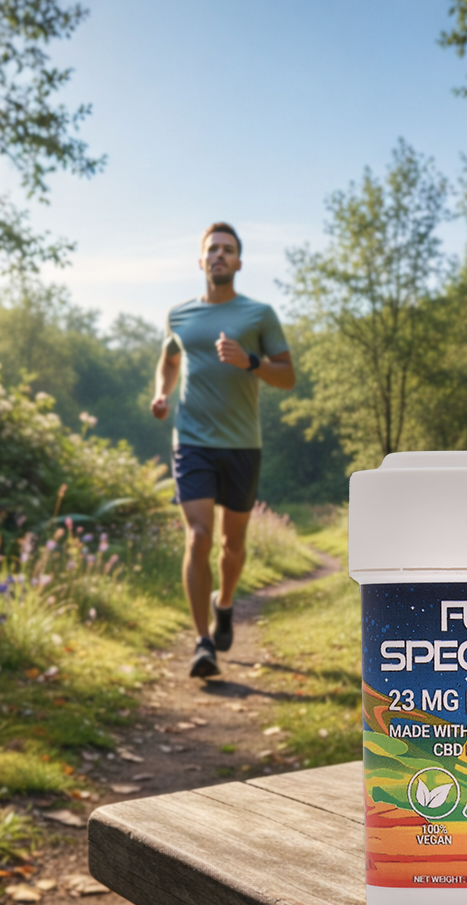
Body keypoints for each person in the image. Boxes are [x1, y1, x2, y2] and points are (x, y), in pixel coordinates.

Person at [151, 223, 296, 678]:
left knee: (233, 544)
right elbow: (169, 359)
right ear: (200, 260)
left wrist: (250, 361)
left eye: (228, 250)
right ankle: (202, 643)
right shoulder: (179, 315)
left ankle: (225, 603)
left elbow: (287, 376)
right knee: (198, 535)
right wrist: (162, 393)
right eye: (212, 249)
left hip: (242, 445)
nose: (219, 255)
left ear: (238, 263)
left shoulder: (259, 315)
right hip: (192, 441)